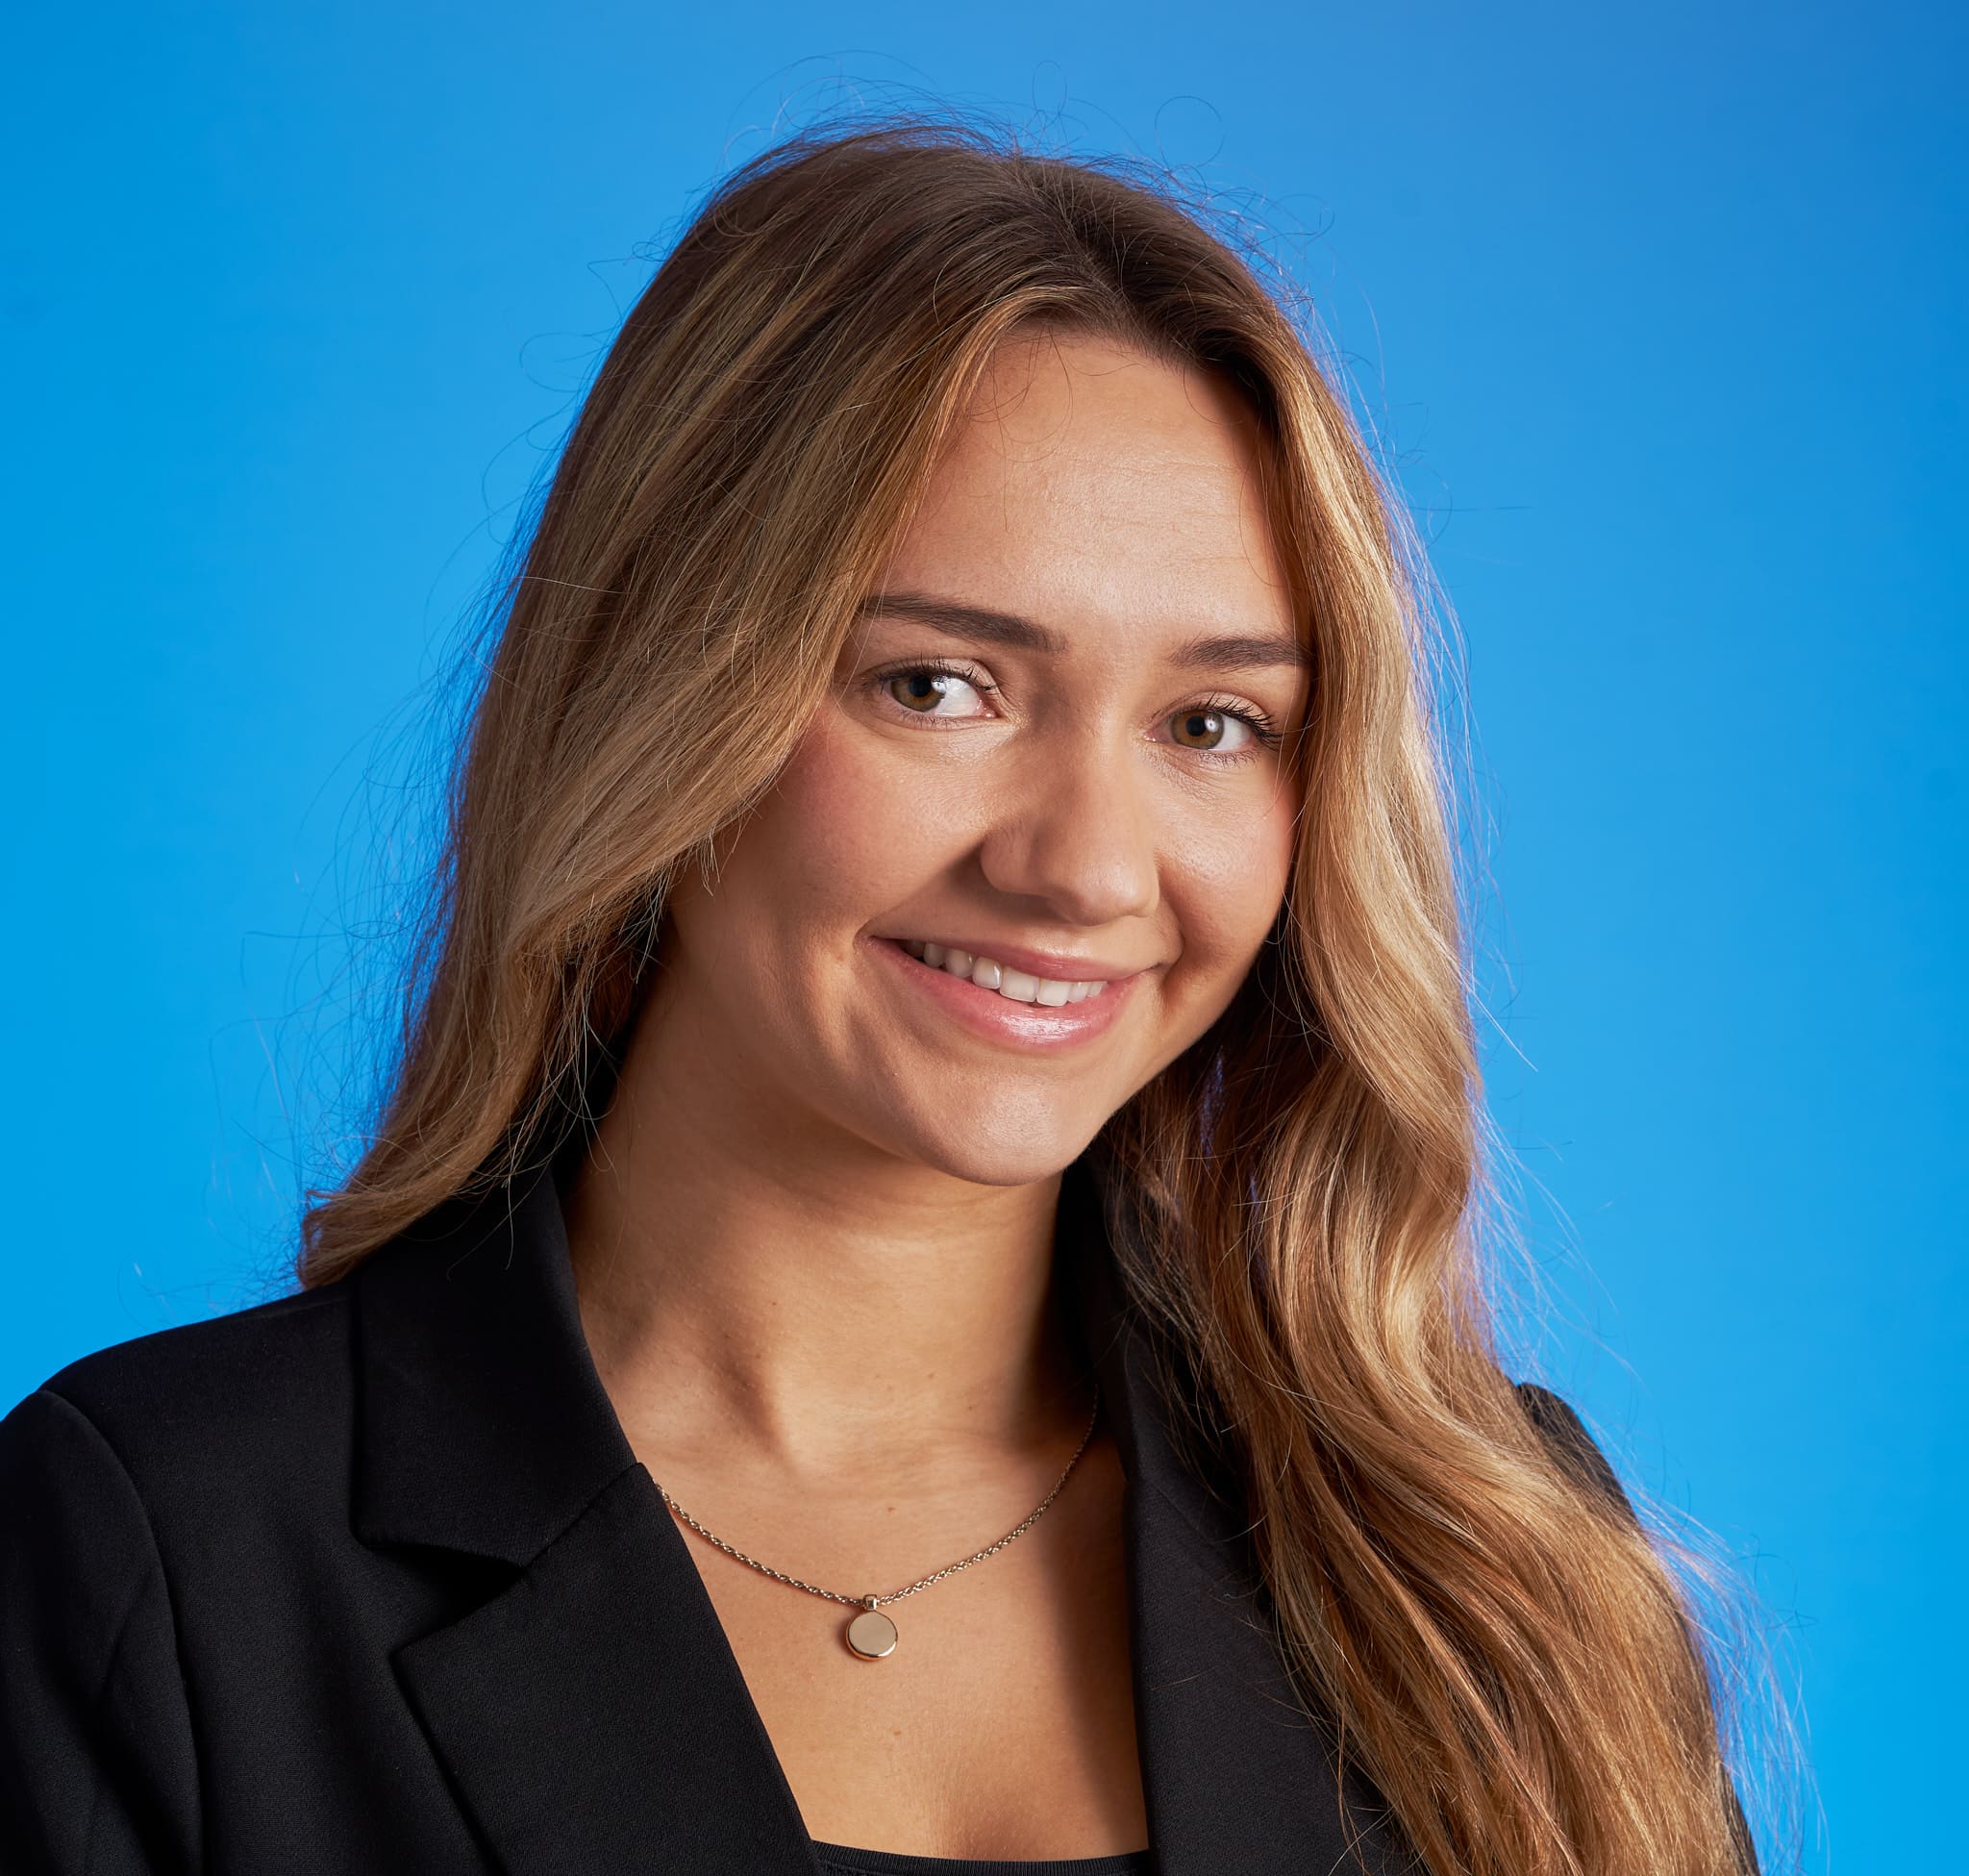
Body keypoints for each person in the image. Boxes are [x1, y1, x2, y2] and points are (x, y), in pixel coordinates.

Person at [0, 116, 1764, 1875]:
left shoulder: (1494, 1571)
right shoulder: (166, 1553)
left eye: (1212, 724)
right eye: (937, 685)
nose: (1088, 868)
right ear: (658, 696)